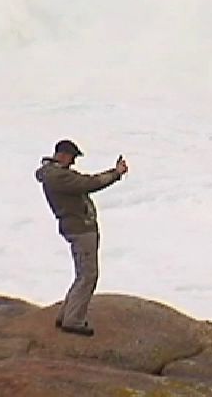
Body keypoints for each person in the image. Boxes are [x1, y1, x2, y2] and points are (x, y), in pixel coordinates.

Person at [35, 139, 128, 336]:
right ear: (62, 155)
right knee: (88, 275)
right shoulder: (58, 176)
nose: (73, 162)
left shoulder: (53, 174)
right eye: (72, 157)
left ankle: (65, 316)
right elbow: (89, 183)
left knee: (82, 274)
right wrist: (116, 173)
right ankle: (73, 320)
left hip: (75, 227)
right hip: (80, 229)